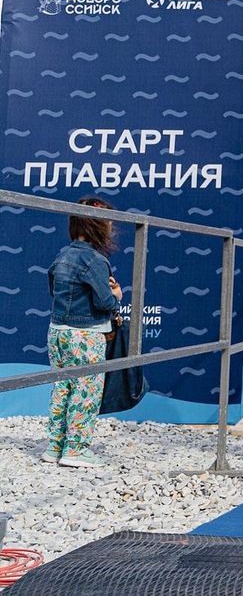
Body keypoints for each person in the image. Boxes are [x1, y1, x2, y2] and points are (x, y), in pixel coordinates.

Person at [42, 197, 123, 468]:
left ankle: (55, 446)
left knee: (62, 388)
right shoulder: (95, 260)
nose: (111, 228)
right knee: (85, 390)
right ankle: (76, 449)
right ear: (97, 225)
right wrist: (116, 296)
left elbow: (56, 289)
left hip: (57, 332)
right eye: (109, 222)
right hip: (85, 336)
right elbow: (104, 302)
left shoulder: (62, 254)